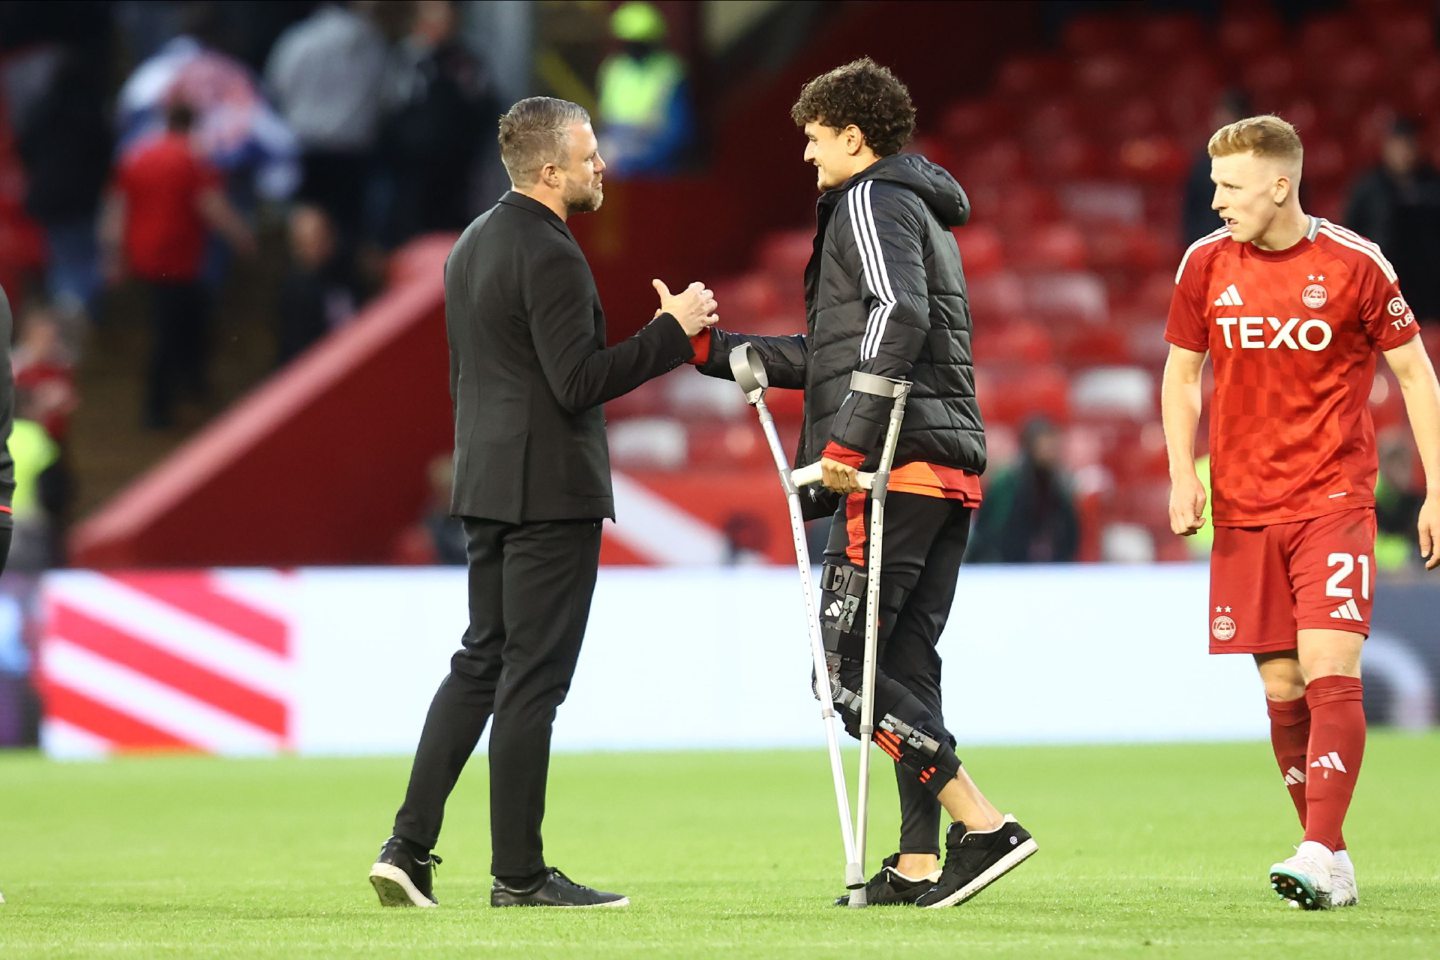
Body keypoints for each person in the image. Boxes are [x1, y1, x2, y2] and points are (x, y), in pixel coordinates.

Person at [688, 58, 1034, 909]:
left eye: (813, 139)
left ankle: (983, 826)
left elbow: (894, 316)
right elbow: (833, 352)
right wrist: (709, 351)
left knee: (843, 678)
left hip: (893, 469)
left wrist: (848, 442)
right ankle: (921, 862)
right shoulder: (918, 209)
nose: (807, 156)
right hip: (940, 467)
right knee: (904, 666)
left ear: (852, 136)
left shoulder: (870, 199)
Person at [368, 96, 717, 910]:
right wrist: (672, 331)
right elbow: (578, 382)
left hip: (486, 483)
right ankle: (519, 876)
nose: (603, 166)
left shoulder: (471, 242)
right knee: (532, 683)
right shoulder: (552, 253)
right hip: (548, 491)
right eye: (590, 154)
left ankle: (408, 848)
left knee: (480, 663)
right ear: (551, 169)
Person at [1162, 114, 1440, 910]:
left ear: (1280, 186)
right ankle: (1333, 857)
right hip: (1245, 508)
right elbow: (1182, 376)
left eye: (1230, 187)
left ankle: (1316, 847)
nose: (1216, 201)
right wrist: (1184, 476)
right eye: (1215, 185)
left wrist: (1437, 489)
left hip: (1333, 500)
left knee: (1328, 671)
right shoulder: (1205, 263)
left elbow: (1416, 376)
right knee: (1282, 686)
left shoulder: (1355, 265)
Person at [100, 99, 256, 428]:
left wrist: (113, 255)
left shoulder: (138, 156)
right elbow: (211, 206)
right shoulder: (192, 160)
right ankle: (162, 405)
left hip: (147, 258)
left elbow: (117, 208)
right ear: (193, 125)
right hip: (180, 260)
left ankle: (185, 390)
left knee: (179, 324)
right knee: (175, 331)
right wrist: (242, 236)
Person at [1344, 119, 1440, 325]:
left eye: (1409, 145)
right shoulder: (1368, 187)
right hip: (1384, 281)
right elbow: (1350, 235)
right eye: (1398, 146)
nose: (1403, 152)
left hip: (1430, 285)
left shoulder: (1433, 183)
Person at [595, 1, 694, 177]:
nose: (634, 47)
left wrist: (636, 160)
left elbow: (677, 134)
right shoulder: (614, 69)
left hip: (655, 163)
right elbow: (606, 124)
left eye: (640, 41)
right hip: (616, 157)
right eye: (630, 41)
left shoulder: (669, 71)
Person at [966, 417, 1080, 563]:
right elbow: (990, 529)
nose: (1050, 451)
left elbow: (1069, 531)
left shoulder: (1060, 484)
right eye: (1044, 445)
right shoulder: (1008, 482)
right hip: (1005, 565)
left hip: (1051, 567)